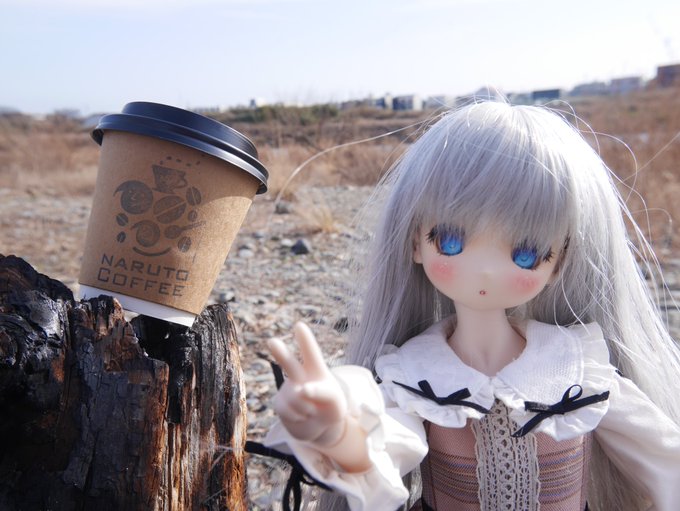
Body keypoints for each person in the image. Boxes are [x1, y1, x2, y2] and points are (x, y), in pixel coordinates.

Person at [264, 101, 680, 511]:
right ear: (415, 242)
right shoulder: (415, 373)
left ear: (559, 262)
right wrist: (341, 435)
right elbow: (388, 451)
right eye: (450, 242)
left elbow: (662, 457)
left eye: (526, 253)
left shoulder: (576, 366)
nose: (485, 270)